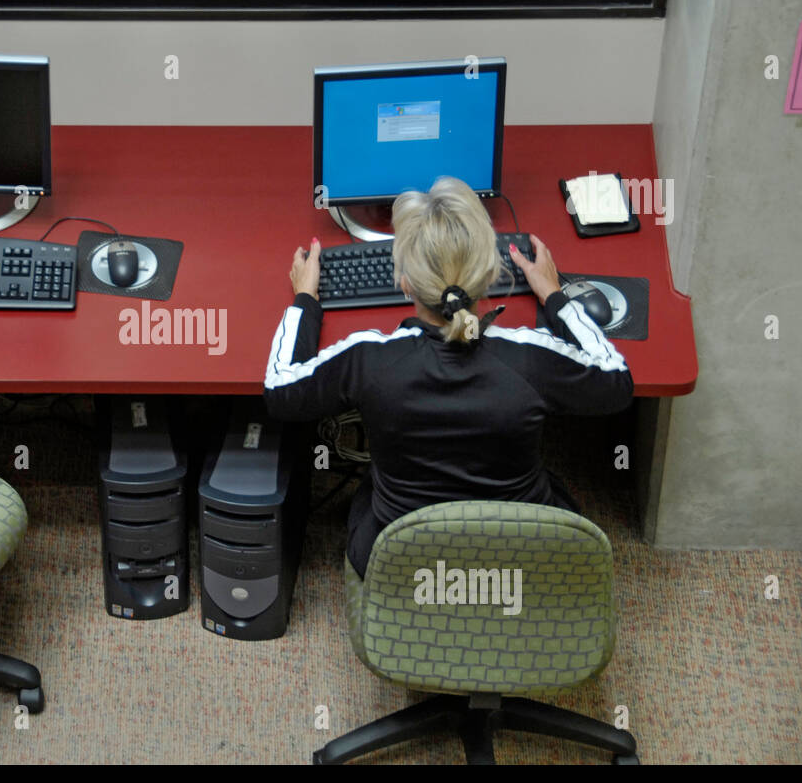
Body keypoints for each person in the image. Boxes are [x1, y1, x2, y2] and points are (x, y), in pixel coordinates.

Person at [262, 176, 633, 577]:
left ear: (403, 282)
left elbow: (281, 391)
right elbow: (616, 384)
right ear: (492, 275)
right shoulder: (530, 359)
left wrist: (305, 299)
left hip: (399, 558)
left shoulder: (369, 360)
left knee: (367, 492)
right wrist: (555, 295)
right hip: (521, 552)